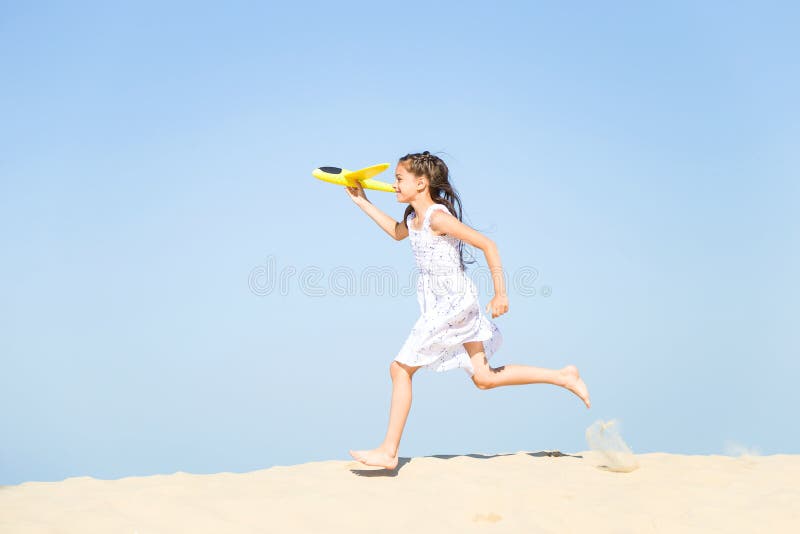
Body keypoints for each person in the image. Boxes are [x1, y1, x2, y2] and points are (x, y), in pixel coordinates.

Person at [344, 151, 590, 470]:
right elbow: (396, 233)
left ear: (421, 183)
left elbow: (488, 245)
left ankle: (389, 451)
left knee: (400, 368)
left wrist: (501, 293)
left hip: (453, 303)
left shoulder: (437, 217)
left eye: (399, 178)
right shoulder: (413, 219)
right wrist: (362, 201)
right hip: (442, 302)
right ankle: (563, 376)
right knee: (484, 378)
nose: (393, 184)